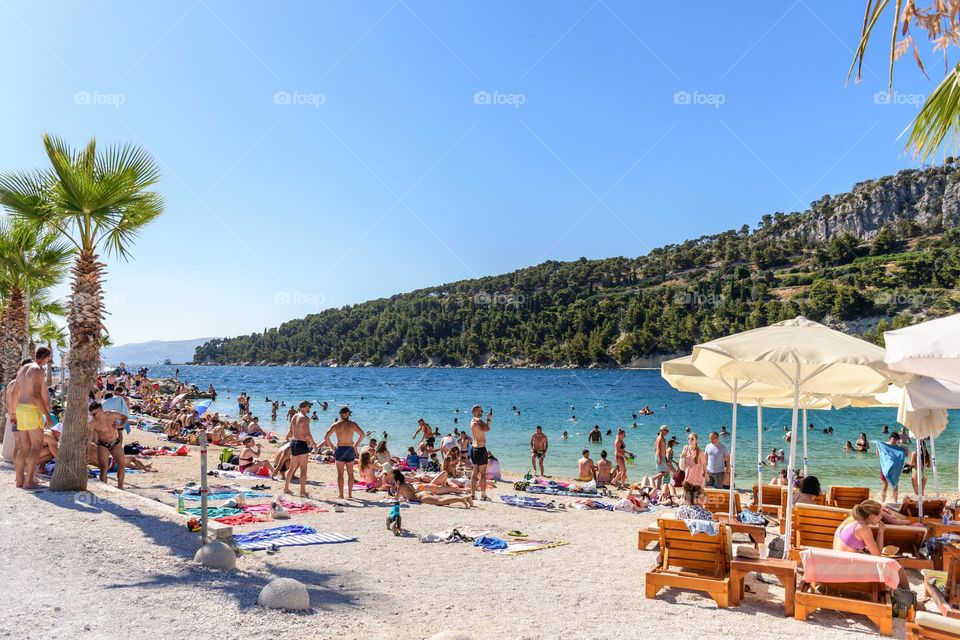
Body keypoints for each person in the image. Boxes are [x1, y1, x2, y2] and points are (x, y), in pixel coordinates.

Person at [833, 500, 910, 589]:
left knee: (893, 564)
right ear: (872, 516)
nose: (881, 518)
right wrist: (881, 533)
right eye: (880, 515)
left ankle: (906, 596)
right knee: (896, 565)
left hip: (838, 565)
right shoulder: (863, 528)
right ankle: (911, 599)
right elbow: (877, 556)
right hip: (848, 570)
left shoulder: (849, 521)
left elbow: (850, 544)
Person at [9, 349, 53, 489]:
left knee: (24, 446)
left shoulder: (23, 368)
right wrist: (47, 414)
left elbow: (15, 391)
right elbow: (35, 395)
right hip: (31, 410)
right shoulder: (38, 370)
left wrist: (13, 412)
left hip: (20, 408)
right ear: (46, 357)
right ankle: (30, 482)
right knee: (36, 446)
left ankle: (20, 480)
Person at [322, 406, 365, 500]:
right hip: (349, 449)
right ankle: (349, 494)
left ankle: (342, 495)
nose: (348, 415)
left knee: (341, 473)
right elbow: (362, 434)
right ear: (342, 414)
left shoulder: (336, 425)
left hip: (341, 450)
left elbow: (326, 437)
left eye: (348, 413)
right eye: (346, 413)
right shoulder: (353, 424)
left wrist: (332, 447)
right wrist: (355, 445)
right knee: (349, 473)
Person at [88, 401, 128, 489]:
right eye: (92, 414)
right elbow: (88, 438)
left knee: (122, 465)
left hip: (115, 442)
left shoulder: (111, 415)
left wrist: (120, 425)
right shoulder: (93, 423)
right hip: (102, 444)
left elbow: (125, 417)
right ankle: (104, 488)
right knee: (103, 467)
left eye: (95, 414)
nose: (93, 416)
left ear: (101, 410)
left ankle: (120, 487)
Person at [283, 401, 318, 497]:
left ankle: (286, 488)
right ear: (303, 407)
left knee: (292, 468)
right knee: (303, 469)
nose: (309, 409)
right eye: (308, 407)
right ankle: (302, 491)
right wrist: (314, 445)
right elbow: (307, 433)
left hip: (294, 443)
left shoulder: (294, 416)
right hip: (301, 443)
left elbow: (290, 431)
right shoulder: (305, 418)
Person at [391, 469, 472, 508]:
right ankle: (467, 498)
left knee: (441, 501)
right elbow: (409, 494)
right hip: (423, 493)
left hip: (420, 497)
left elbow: (396, 499)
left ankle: (462, 499)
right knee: (442, 499)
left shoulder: (401, 486)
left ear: (397, 480)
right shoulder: (407, 483)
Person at [469, 405, 492, 501]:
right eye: (480, 410)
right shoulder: (477, 422)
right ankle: (483, 495)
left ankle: (473, 494)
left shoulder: (472, 421)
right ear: (475, 411)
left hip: (473, 449)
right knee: (482, 473)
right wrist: (489, 419)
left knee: (475, 472)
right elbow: (487, 429)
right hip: (480, 449)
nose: (482, 412)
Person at [877, 432, 907, 503]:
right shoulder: (883, 445)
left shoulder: (899, 448)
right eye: (894, 438)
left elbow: (904, 456)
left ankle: (895, 502)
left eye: (897, 439)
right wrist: (878, 448)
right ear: (890, 438)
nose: (895, 440)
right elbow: (878, 455)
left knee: (895, 485)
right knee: (885, 484)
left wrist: (904, 450)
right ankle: (883, 501)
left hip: (894, 469)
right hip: (884, 468)